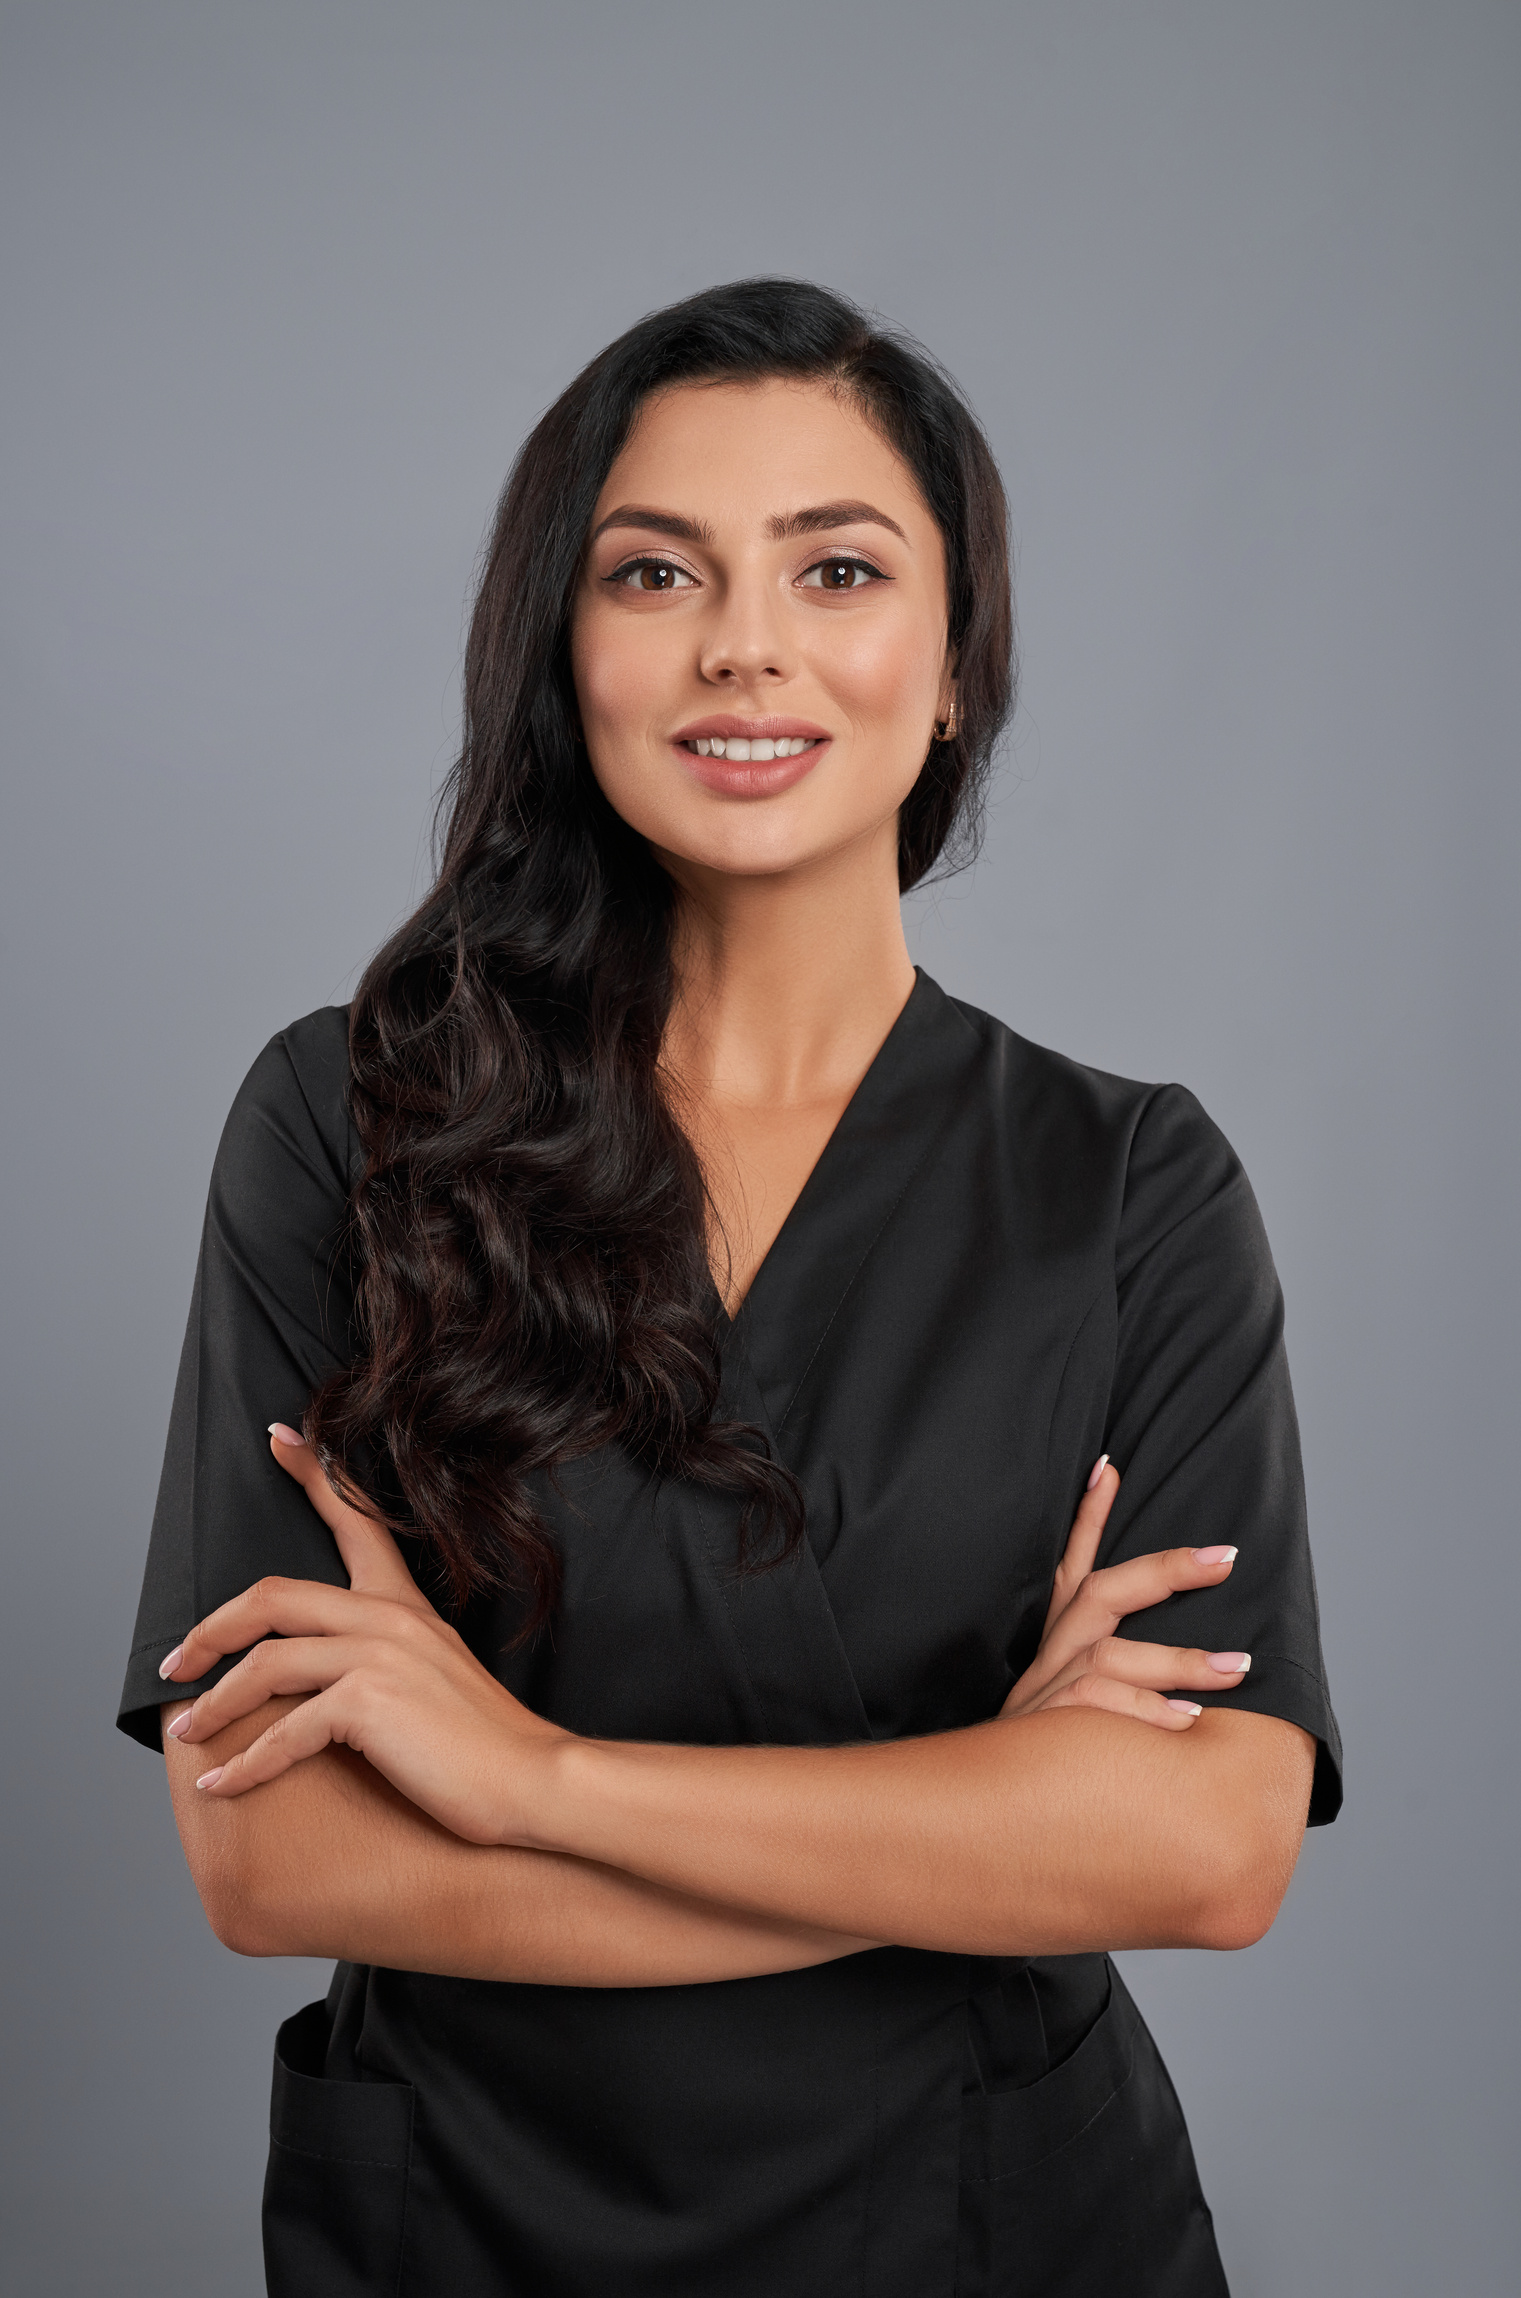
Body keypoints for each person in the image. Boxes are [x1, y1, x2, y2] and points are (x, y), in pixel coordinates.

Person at [119, 278, 1340, 2297]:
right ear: (560, 654)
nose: (742, 644)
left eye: (836, 567)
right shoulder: (345, 1125)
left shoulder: (1127, 1185)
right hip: (478, 2225)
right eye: (653, 570)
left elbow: (1205, 1856)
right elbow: (275, 1858)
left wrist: (530, 1781)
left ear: (951, 667)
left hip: (983, 2225)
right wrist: (982, 1826)